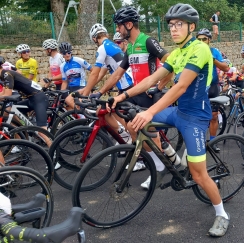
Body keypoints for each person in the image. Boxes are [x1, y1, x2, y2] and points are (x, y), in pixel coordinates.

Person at [111, 3, 230, 237]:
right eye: (171, 25)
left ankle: (222, 214)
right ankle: (169, 162)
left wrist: (150, 110)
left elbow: (182, 86)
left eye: (179, 24)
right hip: (178, 112)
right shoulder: (177, 53)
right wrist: (122, 96)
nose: (174, 29)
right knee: (139, 121)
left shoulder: (200, 49)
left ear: (191, 26)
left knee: (198, 174)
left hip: (196, 117)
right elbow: (151, 80)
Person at [97, 6, 172, 190]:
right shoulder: (129, 47)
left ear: (129, 24)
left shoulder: (147, 41)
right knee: (131, 127)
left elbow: (171, 61)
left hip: (150, 95)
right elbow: (116, 75)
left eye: (119, 26)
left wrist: (160, 85)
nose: (117, 30)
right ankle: (158, 160)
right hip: (137, 93)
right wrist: (99, 92)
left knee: (146, 131)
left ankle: (160, 167)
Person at [0, 56, 51, 147]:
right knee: (6, 112)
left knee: (42, 132)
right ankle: (20, 139)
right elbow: (3, 93)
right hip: (31, 99)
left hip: (39, 99)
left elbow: (7, 94)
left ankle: (54, 153)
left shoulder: (7, 74)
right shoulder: (3, 76)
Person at [196, 28, 228, 152]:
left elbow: (225, 67)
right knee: (199, 116)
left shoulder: (214, 51)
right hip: (199, 87)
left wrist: (212, 59)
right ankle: (199, 142)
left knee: (213, 116)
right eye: (199, 39)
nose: (201, 41)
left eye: (204, 39)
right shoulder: (193, 52)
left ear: (209, 40)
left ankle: (213, 142)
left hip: (213, 86)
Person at [59, 42, 92, 110]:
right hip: (71, 88)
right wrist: (60, 93)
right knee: (69, 108)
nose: (67, 55)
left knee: (80, 105)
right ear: (62, 54)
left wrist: (90, 84)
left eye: (69, 52)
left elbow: (93, 70)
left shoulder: (79, 60)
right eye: (65, 53)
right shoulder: (62, 66)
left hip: (82, 86)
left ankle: (85, 116)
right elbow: (64, 82)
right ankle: (82, 117)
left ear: (71, 52)